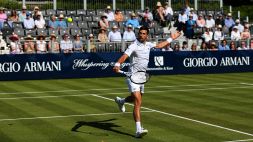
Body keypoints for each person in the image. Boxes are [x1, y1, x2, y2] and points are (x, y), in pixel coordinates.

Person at [113, 26, 181, 138]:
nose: (141, 35)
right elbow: (124, 56)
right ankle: (138, 130)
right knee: (138, 102)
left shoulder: (149, 44)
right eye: (140, 33)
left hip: (141, 78)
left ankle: (121, 101)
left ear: (147, 35)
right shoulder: (133, 46)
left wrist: (171, 38)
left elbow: (159, 45)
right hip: (132, 77)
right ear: (138, 34)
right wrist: (117, 64)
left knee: (135, 98)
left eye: (144, 33)